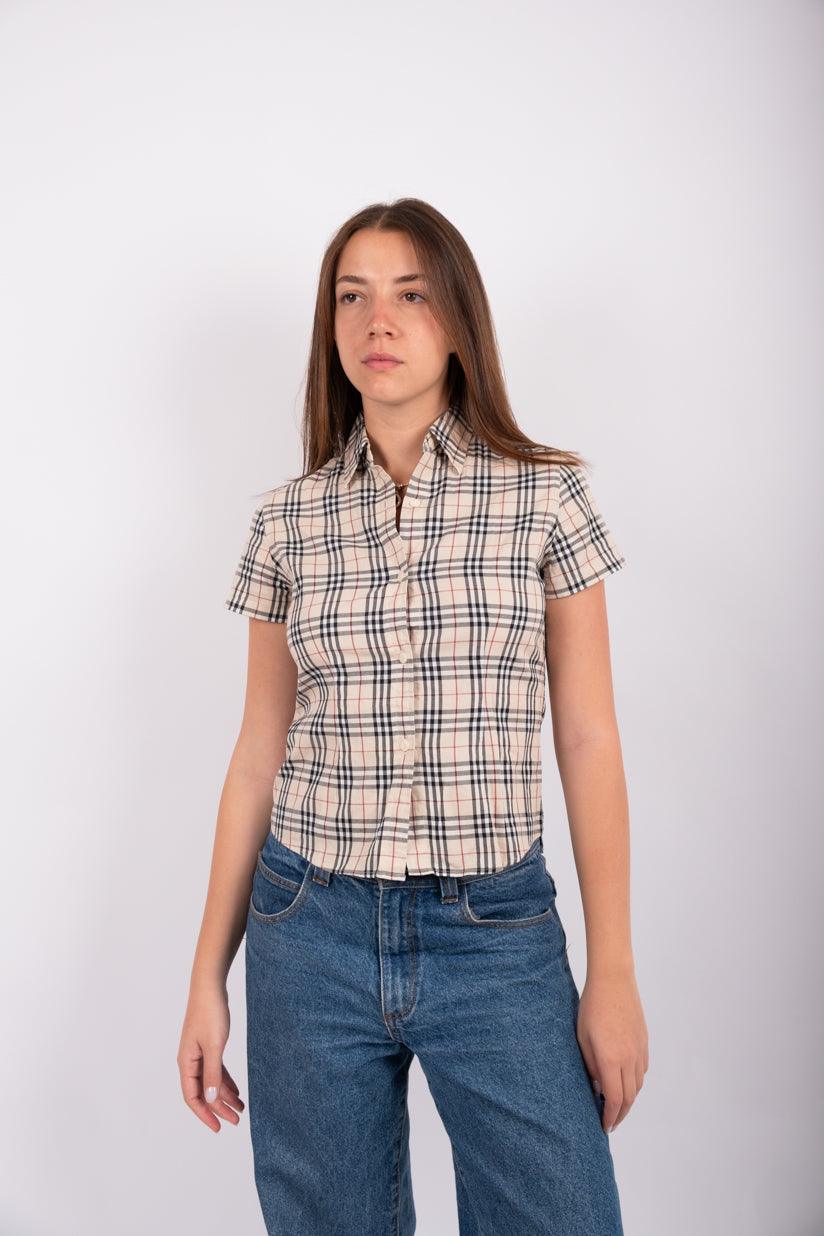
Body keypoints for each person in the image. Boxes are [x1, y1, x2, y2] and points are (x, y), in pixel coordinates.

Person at [177, 197, 648, 1235]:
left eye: (410, 295)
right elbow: (257, 753)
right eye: (352, 297)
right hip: (308, 931)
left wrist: (611, 971)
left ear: (459, 322)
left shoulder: (545, 498)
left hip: (495, 934)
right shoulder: (287, 520)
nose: (377, 321)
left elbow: (588, 737)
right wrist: (208, 977)